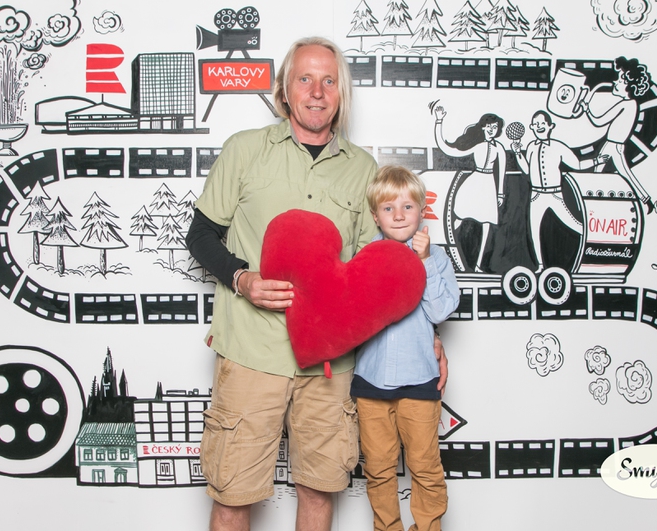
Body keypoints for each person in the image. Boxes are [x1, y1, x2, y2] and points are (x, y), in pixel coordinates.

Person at [185, 37, 447, 531]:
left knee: (319, 489)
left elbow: (380, 275)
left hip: (330, 366)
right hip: (251, 354)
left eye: (329, 81)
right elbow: (200, 235)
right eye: (305, 78)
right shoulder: (244, 150)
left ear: (341, 93)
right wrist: (242, 279)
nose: (317, 91)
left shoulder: (363, 170)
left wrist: (426, 339)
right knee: (232, 495)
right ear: (285, 89)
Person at [352, 165, 459, 531]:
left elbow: (440, 311)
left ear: (422, 211)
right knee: (378, 469)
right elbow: (353, 314)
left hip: (419, 381)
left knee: (425, 467)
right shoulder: (365, 258)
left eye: (407, 206)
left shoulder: (437, 258)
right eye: (388, 208)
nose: (398, 215)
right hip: (371, 382)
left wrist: (424, 262)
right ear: (375, 216)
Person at [512, 110, 608, 272]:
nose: (539, 126)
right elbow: (527, 170)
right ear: (532, 127)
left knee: (574, 224)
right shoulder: (531, 146)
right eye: (536, 124)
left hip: (555, 194)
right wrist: (517, 153)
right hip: (536, 196)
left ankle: (595, 247)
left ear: (550, 126)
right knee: (534, 230)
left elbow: (577, 165)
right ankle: (540, 266)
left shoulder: (558, 147)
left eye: (542, 123)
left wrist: (596, 161)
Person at [434, 108, 507, 273]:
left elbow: (501, 172)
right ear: (483, 127)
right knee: (457, 218)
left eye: (495, 127)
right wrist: (439, 121)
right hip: (473, 184)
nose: (492, 130)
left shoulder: (499, 149)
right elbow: (448, 150)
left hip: (489, 186)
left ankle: (479, 265)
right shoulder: (477, 146)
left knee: (487, 224)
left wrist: (500, 193)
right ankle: (446, 252)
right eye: (489, 126)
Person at [582, 56, 654, 214]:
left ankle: (596, 204)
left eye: (620, 80)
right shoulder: (632, 104)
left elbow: (599, 121)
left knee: (612, 174)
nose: (615, 82)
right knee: (604, 173)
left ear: (629, 85)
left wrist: (586, 109)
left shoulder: (626, 104)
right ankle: (644, 200)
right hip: (613, 145)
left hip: (614, 145)